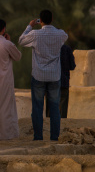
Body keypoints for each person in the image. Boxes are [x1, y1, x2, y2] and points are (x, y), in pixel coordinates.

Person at [18, 10, 68, 141]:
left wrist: (30, 26)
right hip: (54, 76)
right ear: (52, 19)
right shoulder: (60, 34)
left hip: (39, 75)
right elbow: (64, 36)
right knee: (55, 108)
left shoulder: (35, 34)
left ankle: (38, 137)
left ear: (40, 20)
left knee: (37, 108)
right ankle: (54, 137)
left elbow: (21, 41)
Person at [46, 44, 76, 118]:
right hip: (63, 82)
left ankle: (49, 127)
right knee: (62, 108)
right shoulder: (66, 48)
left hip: (50, 82)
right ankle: (62, 127)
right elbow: (72, 66)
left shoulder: (48, 48)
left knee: (50, 107)